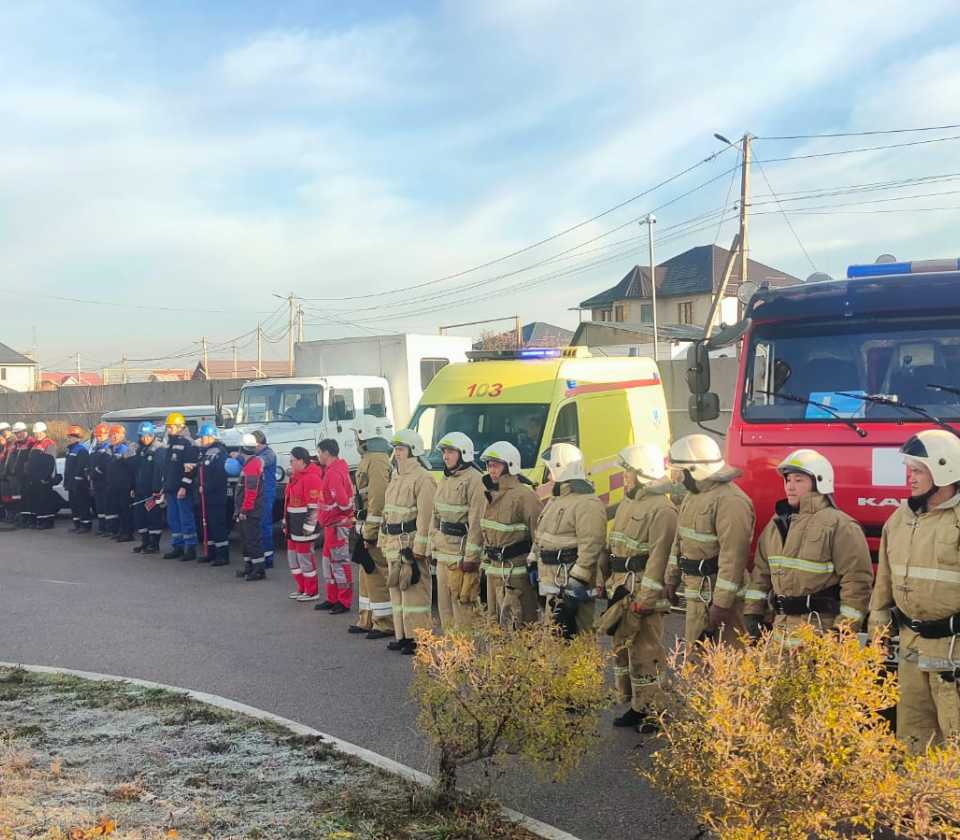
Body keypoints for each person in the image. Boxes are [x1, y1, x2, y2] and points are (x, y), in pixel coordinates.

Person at [869, 430, 960, 753]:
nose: (911, 477)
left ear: (944, 469)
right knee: (912, 737)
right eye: (910, 470)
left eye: (918, 470)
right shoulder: (899, 520)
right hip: (910, 649)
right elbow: (883, 584)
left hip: (952, 652)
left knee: (954, 738)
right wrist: (878, 634)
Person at [744, 449, 872, 643]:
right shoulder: (776, 524)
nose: (790, 486)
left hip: (820, 632)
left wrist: (843, 631)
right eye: (788, 480)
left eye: (799, 480)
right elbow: (761, 573)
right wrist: (753, 613)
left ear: (819, 482)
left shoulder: (840, 525)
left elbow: (857, 583)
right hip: (780, 632)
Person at [600, 444, 677, 731]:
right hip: (622, 588)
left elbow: (659, 557)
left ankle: (654, 711)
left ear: (644, 473)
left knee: (646, 651)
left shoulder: (663, 510)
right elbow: (615, 546)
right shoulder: (628, 503)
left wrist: (646, 597)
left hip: (643, 592)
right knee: (626, 650)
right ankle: (636, 705)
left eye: (629, 472)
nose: (625, 477)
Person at [664, 434, 756, 648]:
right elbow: (680, 540)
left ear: (695, 470)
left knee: (727, 662)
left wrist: (721, 604)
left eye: (680, 472)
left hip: (723, 604)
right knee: (695, 659)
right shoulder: (693, 496)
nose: (677, 479)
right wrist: (671, 578)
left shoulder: (731, 502)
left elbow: (733, 558)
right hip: (698, 596)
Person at [533, 443, 607, 638]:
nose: (549, 477)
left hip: (572, 587)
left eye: (550, 470)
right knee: (554, 642)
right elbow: (541, 535)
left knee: (578, 642)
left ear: (561, 468)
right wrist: (533, 560)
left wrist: (576, 582)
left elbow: (591, 545)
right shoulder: (556, 500)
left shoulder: (587, 503)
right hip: (554, 583)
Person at [383, 429, 436, 654]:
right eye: (396, 449)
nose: (397, 453)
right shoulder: (396, 476)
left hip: (410, 544)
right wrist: (383, 540)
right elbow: (388, 512)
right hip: (393, 543)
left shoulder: (423, 478)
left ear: (413, 451)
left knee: (415, 593)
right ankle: (403, 635)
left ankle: (419, 639)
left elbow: (426, 516)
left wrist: (421, 547)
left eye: (401, 449)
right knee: (397, 592)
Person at [478, 441, 542, 628]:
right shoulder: (490, 495)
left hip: (516, 574)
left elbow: (539, 535)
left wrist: (537, 568)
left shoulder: (525, 496)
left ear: (510, 466)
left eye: (496, 465)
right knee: (495, 627)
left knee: (520, 626)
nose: (491, 470)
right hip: (494, 571)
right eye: (489, 465)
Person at [430, 432, 486, 631]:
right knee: (444, 608)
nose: (445, 456)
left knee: (463, 608)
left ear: (463, 454)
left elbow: (476, 523)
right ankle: (451, 649)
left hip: (461, 554)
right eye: (444, 452)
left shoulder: (476, 480)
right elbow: (435, 515)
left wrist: (471, 558)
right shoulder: (446, 478)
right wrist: (432, 545)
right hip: (443, 552)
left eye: (451, 452)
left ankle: (467, 649)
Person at [348, 431, 395, 639]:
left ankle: (384, 623)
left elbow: (377, 500)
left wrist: (371, 532)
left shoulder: (376, 461)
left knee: (376, 574)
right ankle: (367, 619)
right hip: (364, 526)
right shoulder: (370, 459)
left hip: (372, 529)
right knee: (367, 573)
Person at [316, 439, 355, 615]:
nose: (318, 456)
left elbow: (344, 502)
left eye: (319, 452)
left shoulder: (333, 473)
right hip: (331, 525)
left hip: (336, 525)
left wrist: (340, 517)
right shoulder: (334, 470)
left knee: (339, 563)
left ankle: (344, 601)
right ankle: (333, 598)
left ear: (326, 453)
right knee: (329, 563)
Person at [284, 446, 323, 601]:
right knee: (293, 559)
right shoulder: (296, 477)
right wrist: (285, 522)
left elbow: (314, 506)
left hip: (303, 528)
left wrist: (309, 529)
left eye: (292, 460)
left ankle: (312, 591)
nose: (291, 463)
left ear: (301, 461)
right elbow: (288, 503)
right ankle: (302, 588)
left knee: (304, 560)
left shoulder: (311, 478)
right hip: (293, 525)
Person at [162, 412, 199, 561]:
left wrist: (184, 486)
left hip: (182, 489)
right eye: (168, 427)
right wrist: (165, 485)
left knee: (186, 519)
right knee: (173, 519)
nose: (168, 429)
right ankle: (178, 546)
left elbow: (190, 469)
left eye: (171, 427)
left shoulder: (188, 443)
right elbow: (168, 468)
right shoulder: (170, 443)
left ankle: (190, 548)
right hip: (171, 488)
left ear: (180, 427)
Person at [197, 423, 230, 565]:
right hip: (205, 496)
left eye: (202, 437)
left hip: (216, 496)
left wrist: (206, 487)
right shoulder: (204, 451)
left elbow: (219, 475)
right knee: (208, 525)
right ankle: (210, 552)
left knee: (217, 525)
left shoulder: (219, 452)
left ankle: (222, 555)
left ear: (211, 437)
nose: (200, 440)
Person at [235, 432, 267, 582]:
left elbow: (251, 491)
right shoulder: (251, 463)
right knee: (246, 540)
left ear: (242, 449)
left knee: (252, 540)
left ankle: (258, 570)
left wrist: (244, 509)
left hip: (250, 511)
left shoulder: (251, 465)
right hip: (249, 509)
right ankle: (249, 567)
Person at [131, 422, 165, 555]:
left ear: (152, 435)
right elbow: (136, 470)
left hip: (152, 492)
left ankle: (154, 544)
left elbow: (159, 472)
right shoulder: (140, 450)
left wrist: (157, 490)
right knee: (140, 517)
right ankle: (145, 542)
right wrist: (133, 487)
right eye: (142, 436)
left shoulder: (159, 449)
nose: (145, 438)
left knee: (153, 517)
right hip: (140, 489)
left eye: (148, 436)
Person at [25, 422, 58, 530]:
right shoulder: (35, 445)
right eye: (36, 433)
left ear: (44, 432)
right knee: (38, 501)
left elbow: (51, 462)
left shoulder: (49, 443)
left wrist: (45, 477)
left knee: (46, 501)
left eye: (39, 433)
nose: (37, 434)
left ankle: (48, 522)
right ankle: (40, 521)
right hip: (36, 478)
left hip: (45, 478)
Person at [105, 424, 134, 542]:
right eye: (111, 435)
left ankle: (128, 533)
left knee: (125, 510)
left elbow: (131, 468)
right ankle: (121, 531)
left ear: (122, 435)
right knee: (118, 510)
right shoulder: (111, 449)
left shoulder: (126, 449)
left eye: (116, 435)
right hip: (114, 485)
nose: (113, 437)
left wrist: (131, 486)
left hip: (124, 486)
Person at [252, 431, 277, 568]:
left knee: (264, 525)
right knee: (257, 526)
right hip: (257, 494)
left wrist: (240, 457)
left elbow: (256, 464)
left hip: (265, 494)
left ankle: (268, 558)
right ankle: (261, 556)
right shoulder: (258, 454)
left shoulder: (269, 454)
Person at [64, 425, 93, 533]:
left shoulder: (81, 450)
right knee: (74, 505)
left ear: (78, 438)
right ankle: (77, 524)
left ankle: (86, 525)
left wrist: (77, 481)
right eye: (70, 436)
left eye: (73, 436)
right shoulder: (70, 450)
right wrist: (67, 482)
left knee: (82, 504)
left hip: (80, 484)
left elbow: (81, 468)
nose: (70, 438)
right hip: (71, 483)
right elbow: (68, 468)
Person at [4, 422, 32, 527]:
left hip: (25, 476)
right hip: (15, 476)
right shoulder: (16, 444)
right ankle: (20, 518)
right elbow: (10, 459)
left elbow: (30, 460)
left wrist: (26, 471)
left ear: (24, 431)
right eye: (16, 433)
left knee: (25, 498)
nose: (17, 435)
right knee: (17, 498)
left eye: (19, 432)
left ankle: (27, 519)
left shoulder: (30, 442)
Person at [90, 423, 112, 536]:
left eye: (101, 435)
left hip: (105, 482)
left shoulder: (108, 447)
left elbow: (107, 466)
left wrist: (97, 470)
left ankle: (109, 528)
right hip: (96, 482)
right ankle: (102, 527)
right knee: (99, 506)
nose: (98, 437)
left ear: (107, 434)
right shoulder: (96, 447)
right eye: (97, 435)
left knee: (107, 506)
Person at [0, 422, 14, 525]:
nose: (3, 433)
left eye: (5, 431)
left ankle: (11, 516)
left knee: (9, 496)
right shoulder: (4, 443)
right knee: (4, 496)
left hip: (9, 474)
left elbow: (10, 459)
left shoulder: (12, 441)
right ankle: (6, 515)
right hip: (3, 472)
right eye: (1, 432)